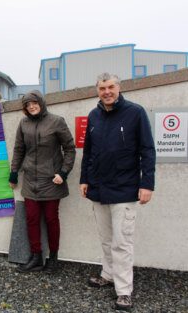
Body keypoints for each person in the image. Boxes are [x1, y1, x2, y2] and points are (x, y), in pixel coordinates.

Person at [80, 73, 156, 311]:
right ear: (97, 91)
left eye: (111, 87)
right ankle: (108, 275)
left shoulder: (135, 113)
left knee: (122, 243)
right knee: (106, 239)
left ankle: (124, 291)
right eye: (102, 88)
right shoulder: (94, 115)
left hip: (125, 189)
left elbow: (147, 150)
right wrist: (85, 180)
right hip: (99, 189)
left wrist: (147, 184)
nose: (107, 92)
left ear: (119, 88)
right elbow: (89, 152)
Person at [9, 91, 76, 273]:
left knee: (51, 219)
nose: (31, 106)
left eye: (34, 102)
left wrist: (63, 172)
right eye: (27, 104)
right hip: (31, 179)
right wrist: (14, 172)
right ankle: (35, 256)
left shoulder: (56, 121)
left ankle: (53, 259)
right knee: (31, 219)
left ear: (41, 103)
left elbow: (70, 149)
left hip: (52, 180)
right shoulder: (23, 123)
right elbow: (19, 149)